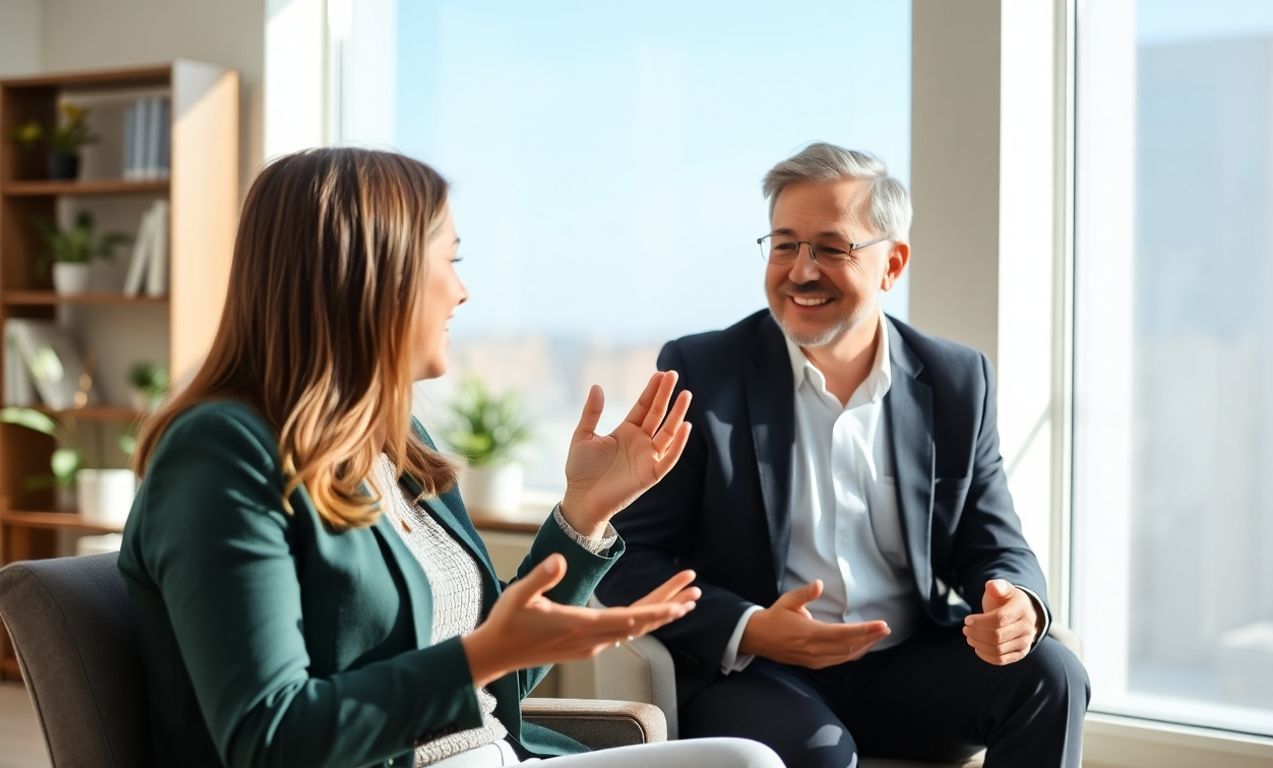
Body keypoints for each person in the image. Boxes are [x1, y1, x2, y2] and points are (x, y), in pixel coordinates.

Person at [117, 148, 782, 768]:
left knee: (747, 761)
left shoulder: (399, 440)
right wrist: (479, 656)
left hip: (494, 756)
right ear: (372, 272)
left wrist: (586, 510)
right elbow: (267, 736)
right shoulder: (220, 454)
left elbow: (498, 679)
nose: (463, 294)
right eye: (451, 261)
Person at [596, 142, 1090, 768]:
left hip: (908, 669)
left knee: (1054, 675)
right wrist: (750, 626)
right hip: (761, 675)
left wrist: (1017, 599)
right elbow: (627, 556)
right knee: (817, 754)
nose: (801, 271)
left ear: (892, 264)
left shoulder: (957, 379)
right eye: (784, 245)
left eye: (831, 248)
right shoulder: (703, 371)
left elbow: (992, 539)